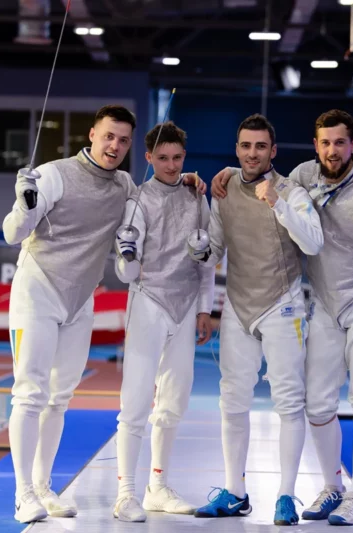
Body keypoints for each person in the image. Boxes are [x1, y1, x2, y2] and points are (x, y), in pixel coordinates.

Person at [1, 104, 205, 524]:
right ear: (92, 134)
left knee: (60, 397)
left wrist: (186, 179)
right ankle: (23, 494)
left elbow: (159, 188)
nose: (114, 145)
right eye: (108, 136)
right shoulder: (55, 174)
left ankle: (43, 486)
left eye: (123, 140)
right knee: (30, 392)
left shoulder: (125, 186)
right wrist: (23, 204)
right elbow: (11, 233)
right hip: (37, 291)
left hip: (80, 300)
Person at [210, 109, 353, 527]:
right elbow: (262, 173)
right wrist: (226, 173)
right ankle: (332, 485)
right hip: (325, 302)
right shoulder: (303, 175)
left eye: (340, 142)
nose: (332, 151)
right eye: (325, 143)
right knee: (316, 403)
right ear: (315, 145)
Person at [190, 114, 324, 526]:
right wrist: (199, 249)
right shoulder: (224, 188)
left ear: (273, 151)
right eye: (246, 146)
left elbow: (313, 242)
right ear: (236, 150)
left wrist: (277, 202)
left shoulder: (291, 191)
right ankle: (235, 492)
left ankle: (285, 496)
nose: (252, 154)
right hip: (238, 306)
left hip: (283, 305)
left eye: (260, 146)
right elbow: (214, 250)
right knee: (232, 398)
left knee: (289, 401)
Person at [111, 121, 215, 522]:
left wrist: (205, 308)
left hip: (185, 307)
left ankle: (157, 486)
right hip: (148, 301)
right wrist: (127, 253)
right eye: (163, 158)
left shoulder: (196, 196)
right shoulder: (138, 201)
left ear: (184, 157)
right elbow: (126, 273)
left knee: (173, 401)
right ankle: (125, 494)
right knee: (136, 400)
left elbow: (207, 262)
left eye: (177, 158)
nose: (171, 166)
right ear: (149, 157)